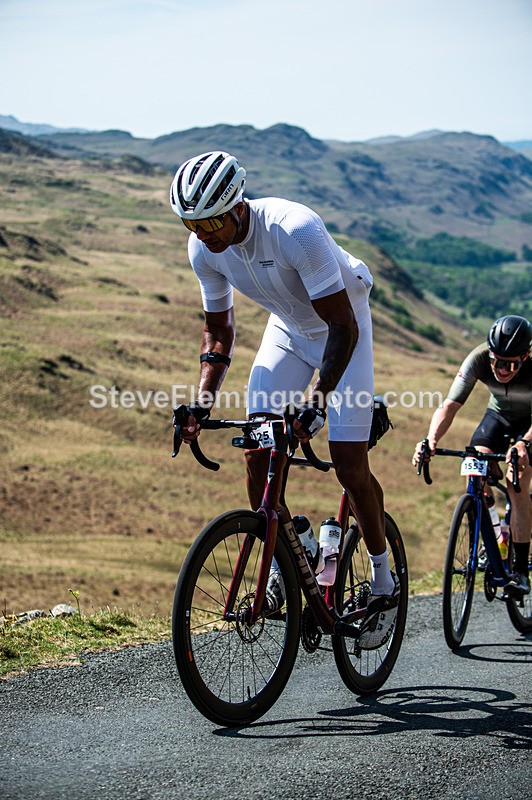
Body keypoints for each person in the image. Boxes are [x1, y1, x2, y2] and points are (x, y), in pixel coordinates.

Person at [169, 150, 398, 641]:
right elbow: (218, 335)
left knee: (348, 463)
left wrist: (317, 401)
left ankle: (383, 578)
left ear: (236, 207)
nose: (202, 236)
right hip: (290, 331)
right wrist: (201, 403)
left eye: (209, 224)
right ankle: (289, 560)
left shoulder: (296, 229)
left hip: (344, 329)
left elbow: (341, 325)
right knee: (258, 448)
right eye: (192, 225)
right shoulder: (203, 249)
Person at [413, 314, 532, 595]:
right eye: (496, 361)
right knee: (473, 467)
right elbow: (449, 405)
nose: (501, 369)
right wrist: (431, 439)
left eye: (510, 364)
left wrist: (523, 444)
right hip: (498, 418)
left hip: (528, 426)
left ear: (526, 356)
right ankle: (492, 534)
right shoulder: (478, 357)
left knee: (518, 484)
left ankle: (519, 570)